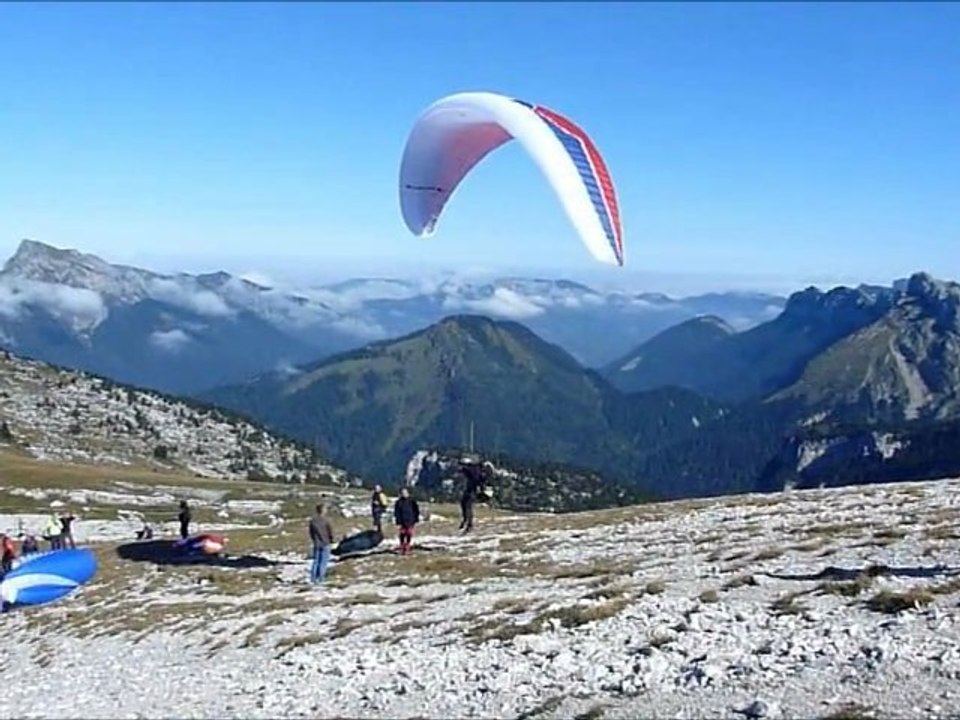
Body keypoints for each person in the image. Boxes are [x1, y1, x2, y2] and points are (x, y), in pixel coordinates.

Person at [308, 503, 335, 584]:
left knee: (316, 561)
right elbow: (330, 532)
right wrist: (332, 540)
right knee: (323, 562)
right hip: (325, 542)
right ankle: (321, 578)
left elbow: (311, 533)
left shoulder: (313, 521)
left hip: (316, 543)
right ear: (323, 511)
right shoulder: (326, 520)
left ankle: (313, 578)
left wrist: (314, 539)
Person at [393, 486, 420, 555]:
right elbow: (396, 512)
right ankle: (402, 545)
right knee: (402, 534)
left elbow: (416, 510)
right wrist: (397, 520)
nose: (404, 494)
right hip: (402, 521)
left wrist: (416, 518)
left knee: (409, 533)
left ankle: (407, 546)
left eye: (405, 493)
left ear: (408, 493)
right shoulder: (398, 502)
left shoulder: (412, 501)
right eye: (403, 493)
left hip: (410, 520)